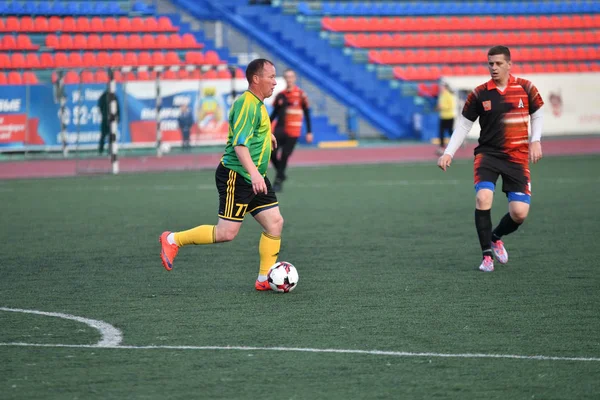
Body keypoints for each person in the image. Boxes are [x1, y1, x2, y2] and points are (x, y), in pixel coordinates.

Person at [159, 59, 282, 291]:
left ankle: (264, 279)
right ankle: (172, 240)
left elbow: (252, 130)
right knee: (226, 233)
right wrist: (255, 175)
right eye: (271, 77)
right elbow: (240, 145)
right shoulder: (247, 103)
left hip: (252, 175)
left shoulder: (258, 103)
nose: (275, 82)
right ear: (256, 79)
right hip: (238, 175)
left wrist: (268, 137)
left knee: (274, 223)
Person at [437, 45, 544, 272]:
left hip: (517, 157)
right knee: (483, 198)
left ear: (509, 64)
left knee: (519, 213)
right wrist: (448, 152)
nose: (493, 68)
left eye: (498, 63)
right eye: (490, 63)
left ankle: (496, 236)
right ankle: (487, 256)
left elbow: (537, 113)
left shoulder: (526, 87)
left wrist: (536, 139)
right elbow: (465, 124)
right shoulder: (479, 93)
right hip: (488, 155)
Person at [269, 69, 312, 192]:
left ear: (295, 78)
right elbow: (274, 113)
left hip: (293, 130)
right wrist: (265, 126)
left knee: (284, 156)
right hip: (280, 129)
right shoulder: (280, 95)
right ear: (284, 78)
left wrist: (309, 132)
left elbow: (307, 113)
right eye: (287, 77)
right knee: (271, 152)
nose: (289, 79)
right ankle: (281, 173)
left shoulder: (301, 95)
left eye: (291, 76)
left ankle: (278, 181)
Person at [435, 82, 456, 155]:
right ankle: (441, 147)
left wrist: (442, 107)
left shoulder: (449, 95)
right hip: (443, 116)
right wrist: (438, 108)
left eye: (442, 87)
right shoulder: (441, 95)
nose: (441, 88)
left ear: (445, 87)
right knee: (441, 132)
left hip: (449, 116)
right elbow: (439, 104)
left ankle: (457, 142)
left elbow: (451, 106)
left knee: (450, 132)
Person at [97, 89, 120, 155]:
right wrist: (104, 114)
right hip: (105, 119)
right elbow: (100, 106)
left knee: (111, 135)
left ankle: (111, 150)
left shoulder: (114, 97)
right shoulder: (103, 96)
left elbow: (118, 107)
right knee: (103, 135)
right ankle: (101, 150)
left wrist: (118, 117)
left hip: (112, 120)